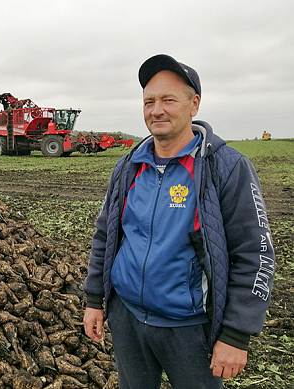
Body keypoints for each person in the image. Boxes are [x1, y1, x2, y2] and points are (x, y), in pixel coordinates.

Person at [82, 54, 275, 389]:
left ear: (194, 104)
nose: (157, 110)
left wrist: (236, 334)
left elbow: (256, 253)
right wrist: (95, 300)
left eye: (169, 100)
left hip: (189, 327)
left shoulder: (224, 167)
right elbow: (106, 236)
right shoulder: (129, 166)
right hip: (127, 319)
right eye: (149, 101)